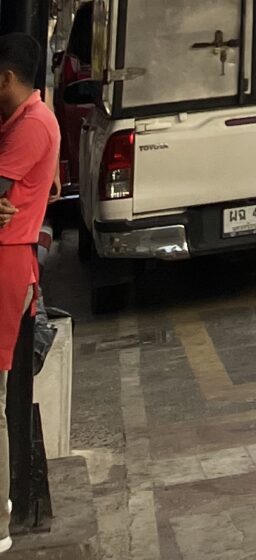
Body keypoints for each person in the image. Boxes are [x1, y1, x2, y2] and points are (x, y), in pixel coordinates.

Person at [0, 28, 61, 541]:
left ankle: (3, 514)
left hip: (9, 259)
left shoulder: (33, 126)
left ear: (7, 78)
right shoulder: (22, 120)